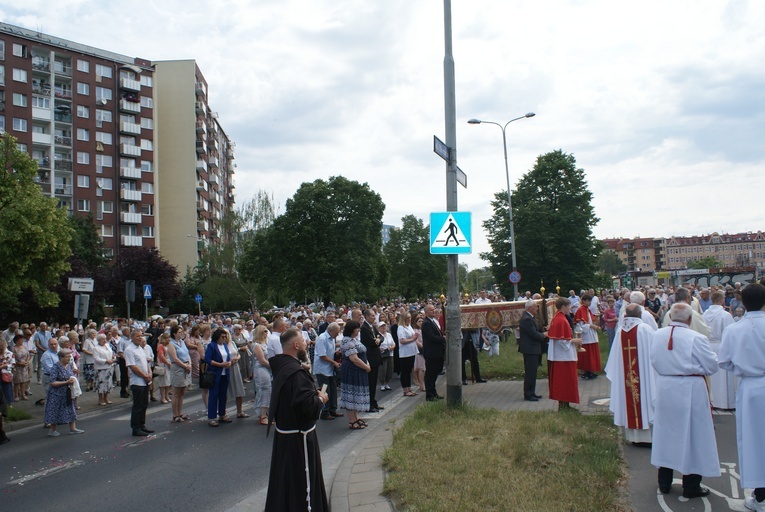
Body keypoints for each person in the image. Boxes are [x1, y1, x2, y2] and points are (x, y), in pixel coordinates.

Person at [650, 303, 719, 498]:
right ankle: (691, 485)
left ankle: (664, 482)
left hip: (665, 387)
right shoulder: (697, 338)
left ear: (670, 316)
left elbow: (654, 360)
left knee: (666, 434)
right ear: (689, 319)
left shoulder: (657, 335)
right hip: (690, 389)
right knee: (693, 436)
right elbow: (711, 366)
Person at [265, 327, 329, 512]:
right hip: (299, 440)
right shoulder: (296, 373)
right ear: (295, 345)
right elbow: (308, 408)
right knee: (302, 485)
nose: (306, 342)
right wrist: (320, 399)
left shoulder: (283, 367)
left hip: (286, 437)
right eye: (302, 340)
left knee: (286, 481)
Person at [718, 283, 765, 511]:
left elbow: (724, 361)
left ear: (742, 302)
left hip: (750, 388)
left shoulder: (735, 329)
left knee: (754, 440)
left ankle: (760, 495)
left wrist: (743, 367)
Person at [604, 304, 656, 444]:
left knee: (629, 397)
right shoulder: (645, 329)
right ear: (640, 314)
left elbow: (614, 359)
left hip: (626, 376)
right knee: (644, 397)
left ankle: (634, 437)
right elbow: (655, 353)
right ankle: (648, 438)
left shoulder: (620, 331)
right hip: (643, 376)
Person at [547, 297, 581, 411]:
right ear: (562, 307)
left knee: (565, 381)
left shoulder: (558, 317)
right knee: (565, 381)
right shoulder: (561, 320)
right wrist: (574, 341)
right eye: (568, 307)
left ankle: (565, 405)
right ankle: (563, 406)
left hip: (562, 356)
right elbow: (562, 340)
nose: (569, 309)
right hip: (563, 357)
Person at [338, 321, 371, 429]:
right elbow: (354, 359)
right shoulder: (347, 341)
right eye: (357, 328)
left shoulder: (354, 340)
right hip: (351, 371)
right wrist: (366, 367)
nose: (359, 330)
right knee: (351, 396)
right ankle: (352, 420)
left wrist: (367, 364)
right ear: (352, 329)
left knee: (356, 395)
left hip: (359, 371)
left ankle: (356, 418)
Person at [44, 348, 84, 436]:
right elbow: (52, 382)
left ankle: (73, 428)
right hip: (57, 393)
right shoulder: (56, 367)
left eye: (70, 357)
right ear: (61, 357)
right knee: (55, 410)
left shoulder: (69, 365)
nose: (69, 359)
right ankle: (52, 430)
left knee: (71, 409)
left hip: (67, 392)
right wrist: (65, 382)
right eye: (67, 357)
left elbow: (71, 375)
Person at [124, 330, 154, 437]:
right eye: (137, 336)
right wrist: (144, 376)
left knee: (144, 404)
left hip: (145, 380)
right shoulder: (129, 350)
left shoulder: (140, 348)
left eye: (141, 336)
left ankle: (142, 424)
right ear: (132, 337)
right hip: (137, 381)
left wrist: (149, 373)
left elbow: (145, 363)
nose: (140, 338)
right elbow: (133, 367)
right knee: (138, 405)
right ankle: (136, 427)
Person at [518, 300, 547, 402]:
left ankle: (532, 392)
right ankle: (528, 394)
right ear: (530, 308)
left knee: (533, 372)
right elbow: (533, 334)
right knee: (530, 372)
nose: (537, 309)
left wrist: (542, 330)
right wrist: (544, 335)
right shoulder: (527, 319)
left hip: (533, 348)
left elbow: (535, 331)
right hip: (530, 349)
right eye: (535, 307)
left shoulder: (530, 317)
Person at [204, 328, 233, 427]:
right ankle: (211, 417)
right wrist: (220, 364)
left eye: (225, 337)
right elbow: (208, 359)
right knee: (213, 395)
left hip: (225, 373)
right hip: (215, 373)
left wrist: (229, 363)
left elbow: (228, 357)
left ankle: (222, 413)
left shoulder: (224, 345)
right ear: (217, 337)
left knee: (223, 395)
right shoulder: (212, 346)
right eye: (222, 337)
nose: (224, 338)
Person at [313, 322, 342, 420]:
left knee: (333, 389)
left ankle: (332, 410)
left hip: (329, 369)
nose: (338, 334)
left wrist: (336, 353)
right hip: (322, 369)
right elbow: (322, 355)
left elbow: (328, 352)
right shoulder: (322, 338)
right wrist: (334, 362)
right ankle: (324, 411)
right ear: (331, 331)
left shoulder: (331, 338)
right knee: (325, 390)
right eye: (337, 332)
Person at [166, 325, 191, 423]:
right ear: (174, 334)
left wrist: (188, 364)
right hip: (178, 368)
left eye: (182, 332)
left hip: (185, 366)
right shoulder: (171, 344)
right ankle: (175, 414)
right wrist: (185, 366)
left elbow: (187, 354)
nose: (181, 334)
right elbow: (175, 358)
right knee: (176, 392)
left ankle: (180, 412)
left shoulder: (182, 342)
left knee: (182, 392)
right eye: (179, 332)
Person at [360, 309, 383, 412]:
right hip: (370, 358)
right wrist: (376, 340)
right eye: (372, 316)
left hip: (376, 357)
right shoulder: (364, 328)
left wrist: (378, 339)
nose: (374, 317)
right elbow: (370, 342)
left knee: (374, 382)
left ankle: (373, 402)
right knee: (370, 382)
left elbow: (381, 336)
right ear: (367, 316)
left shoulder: (373, 326)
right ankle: (369, 404)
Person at [422, 304, 446, 402]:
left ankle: (434, 392)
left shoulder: (433, 321)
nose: (433, 311)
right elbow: (431, 337)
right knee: (430, 374)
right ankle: (429, 395)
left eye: (434, 309)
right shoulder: (426, 323)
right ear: (426, 312)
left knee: (435, 373)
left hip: (437, 352)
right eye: (431, 310)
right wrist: (443, 338)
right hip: (432, 352)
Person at [575, 294, 601, 380]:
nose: (589, 303)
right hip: (586, 335)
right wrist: (591, 326)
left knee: (592, 353)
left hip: (591, 334)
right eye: (588, 301)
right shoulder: (580, 310)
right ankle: (586, 371)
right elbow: (581, 324)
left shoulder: (587, 310)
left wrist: (595, 324)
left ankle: (590, 370)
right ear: (584, 301)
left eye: (590, 301)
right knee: (587, 354)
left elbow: (590, 320)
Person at [251, 325, 272, 425]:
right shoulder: (257, 345)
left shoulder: (267, 343)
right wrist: (275, 366)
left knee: (268, 390)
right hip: (261, 369)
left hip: (268, 368)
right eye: (264, 331)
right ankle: (263, 415)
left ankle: (265, 413)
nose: (266, 333)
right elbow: (262, 361)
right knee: (265, 390)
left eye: (267, 331)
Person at [397, 312, 418, 397]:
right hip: (405, 352)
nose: (409, 319)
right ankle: (405, 389)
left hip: (411, 351)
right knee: (405, 371)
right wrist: (413, 339)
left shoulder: (409, 326)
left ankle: (409, 388)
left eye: (410, 317)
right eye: (407, 318)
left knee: (409, 370)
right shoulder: (401, 328)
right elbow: (402, 340)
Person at [92, 333, 115, 406]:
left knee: (108, 384)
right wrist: (106, 360)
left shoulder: (107, 345)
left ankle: (106, 398)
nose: (104, 341)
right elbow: (96, 359)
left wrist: (113, 358)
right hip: (100, 368)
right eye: (102, 340)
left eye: (105, 339)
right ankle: (100, 399)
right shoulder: (96, 348)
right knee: (101, 384)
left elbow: (112, 354)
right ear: (98, 340)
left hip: (109, 367)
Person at [11, 334, 30, 401]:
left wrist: (27, 362)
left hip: (24, 366)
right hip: (17, 367)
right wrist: (19, 363)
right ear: (16, 341)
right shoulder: (13, 349)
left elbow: (28, 355)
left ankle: (23, 395)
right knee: (17, 382)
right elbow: (12, 358)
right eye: (20, 340)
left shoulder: (24, 347)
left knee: (23, 382)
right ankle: (16, 395)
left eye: (22, 340)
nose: (21, 341)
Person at [378, 321, 396, 392]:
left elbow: (394, 343)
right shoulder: (378, 335)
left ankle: (387, 383)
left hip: (390, 353)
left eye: (384, 326)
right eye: (382, 326)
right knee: (383, 369)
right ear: (379, 328)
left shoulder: (389, 334)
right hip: (383, 354)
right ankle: (382, 384)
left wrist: (392, 347)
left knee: (390, 368)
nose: (383, 328)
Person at [154, 333, 172, 404]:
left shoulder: (169, 345)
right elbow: (161, 356)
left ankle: (167, 396)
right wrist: (167, 363)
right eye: (167, 338)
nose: (168, 339)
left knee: (168, 381)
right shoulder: (161, 346)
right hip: (163, 364)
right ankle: (162, 397)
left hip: (168, 363)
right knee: (163, 382)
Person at [412, 314, 426, 392]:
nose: (421, 322)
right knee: (421, 368)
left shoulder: (423, 329)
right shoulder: (415, 330)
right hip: (419, 350)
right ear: (416, 322)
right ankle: (421, 385)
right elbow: (416, 341)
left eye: (422, 321)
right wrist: (422, 346)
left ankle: (423, 384)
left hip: (426, 349)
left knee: (424, 368)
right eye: (419, 321)